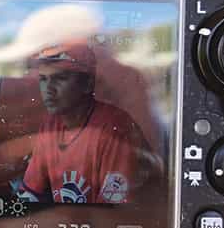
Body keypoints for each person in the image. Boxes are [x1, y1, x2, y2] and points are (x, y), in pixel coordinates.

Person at [19, 42, 148, 204]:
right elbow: (29, 194)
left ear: (87, 83)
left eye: (60, 78)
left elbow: (112, 216)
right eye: (44, 79)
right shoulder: (51, 125)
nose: (48, 89)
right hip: (73, 225)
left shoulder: (114, 128)